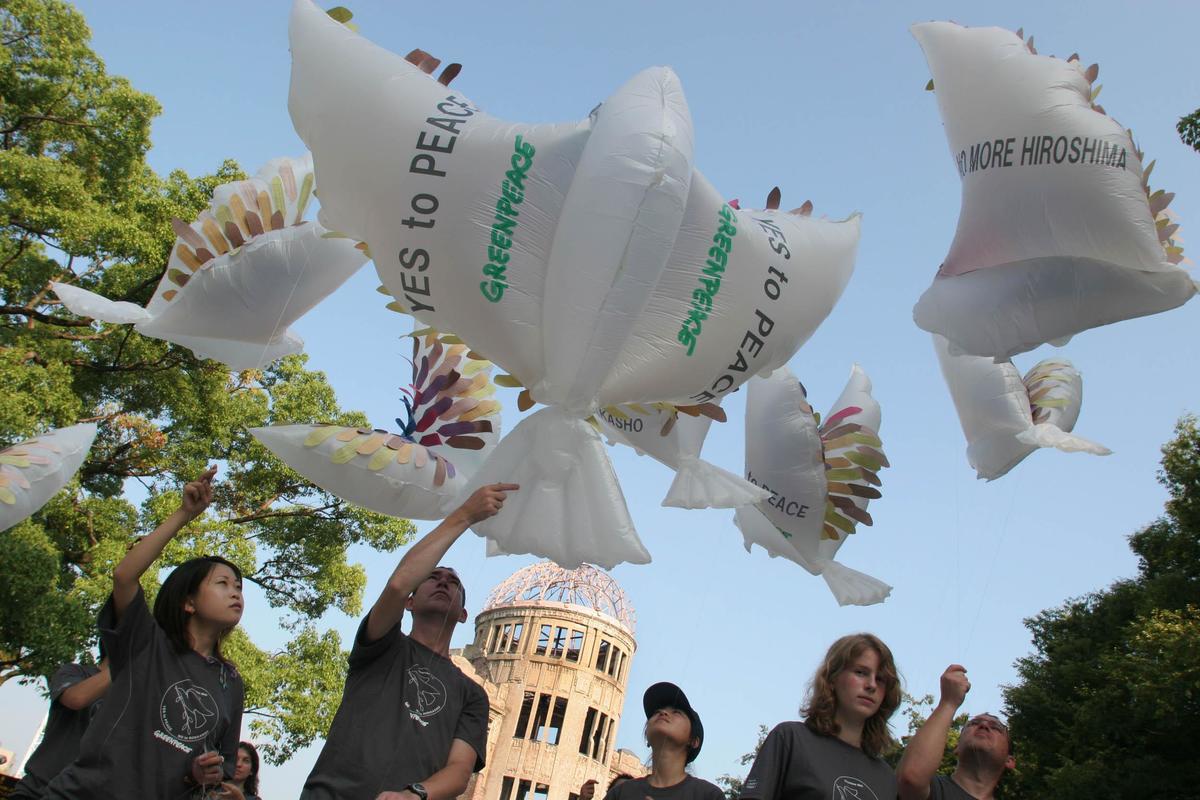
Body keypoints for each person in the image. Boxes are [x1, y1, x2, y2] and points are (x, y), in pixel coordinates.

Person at [301, 483, 518, 800]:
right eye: (432, 577)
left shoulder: (472, 694)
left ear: (463, 614)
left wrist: (414, 794)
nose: (443, 581)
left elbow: (459, 771)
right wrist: (465, 515)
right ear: (409, 604)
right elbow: (399, 584)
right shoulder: (382, 647)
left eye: (453, 582)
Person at [45, 466, 246, 799]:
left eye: (238, 586)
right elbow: (124, 576)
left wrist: (202, 774)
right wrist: (185, 513)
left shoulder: (230, 682)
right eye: (222, 584)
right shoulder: (147, 644)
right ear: (188, 602)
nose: (235, 592)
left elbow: (220, 767)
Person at [740, 633, 900, 800]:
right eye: (860, 672)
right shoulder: (791, 739)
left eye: (880, 679)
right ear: (832, 677)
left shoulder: (887, 778)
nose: (872, 685)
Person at [896, 665, 1015, 800]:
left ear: (1009, 761)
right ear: (956, 748)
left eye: (995, 727)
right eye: (973, 724)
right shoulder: (933, 789)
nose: (983, 725)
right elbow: (911, 779)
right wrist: (949, 702)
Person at [9, 653, 110, 799]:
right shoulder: (75, 672)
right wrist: (122, 667)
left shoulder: (132, 694)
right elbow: (76, 698)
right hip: (38, 793)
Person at [603, 682, 723, 800]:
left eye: (676, 712)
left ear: (693, 741)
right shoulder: (620, 794)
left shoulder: (708, 795)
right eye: (656, 712)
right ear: (646, 735)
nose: (663, 713)